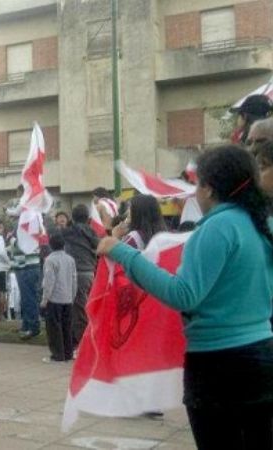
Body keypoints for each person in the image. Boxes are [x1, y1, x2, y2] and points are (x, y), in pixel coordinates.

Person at [97, 145, 273, 449]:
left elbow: (184, 294)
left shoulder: (219, 226)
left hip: (220, 365)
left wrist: (123, 253)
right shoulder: (260, 223)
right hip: (262, 354)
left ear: (208, 187)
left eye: (196, 185)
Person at [62, 205, 99, 348]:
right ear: (88, 218)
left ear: (73, 217)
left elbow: (54, 234)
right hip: (90, 272)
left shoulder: (68, 232)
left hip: (76, 273)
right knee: (85, 306)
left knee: (79, 309)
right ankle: (84, 338)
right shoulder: (92, 232)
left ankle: (83, 343)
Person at [40, 233, 77, 363]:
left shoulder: (50, 260)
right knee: (67, 327)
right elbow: (74, 279)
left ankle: (57, 355)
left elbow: (49, 281)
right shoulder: (70, 259)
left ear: (51, 245)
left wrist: (45, 300)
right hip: (68, 298)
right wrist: (72, 296)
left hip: (54, 299)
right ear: (64, 244)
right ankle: (68, 353)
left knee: (54, 328)